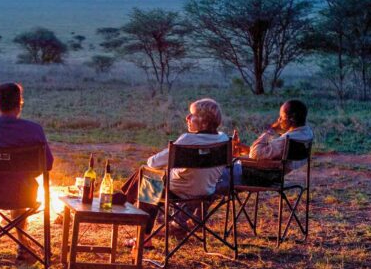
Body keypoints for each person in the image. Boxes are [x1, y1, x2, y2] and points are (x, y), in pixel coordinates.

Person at [122, 98, 230, 246]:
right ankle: (123, 199)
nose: (187, 118)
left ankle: (140, 232)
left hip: (178, 191)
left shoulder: (187, 140)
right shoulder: (223, 139)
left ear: (203, 121)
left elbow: (152, 162)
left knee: (148, 177)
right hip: (206, 192)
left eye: (191, 115)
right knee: (147, 175)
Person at [0, 82, 54, 261]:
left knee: (14, 183)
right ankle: (22, 245)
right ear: (20, 103)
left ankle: (22, 245)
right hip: (24, 194)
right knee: (21, 186)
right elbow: (48, 164)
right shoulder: (34, 130)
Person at [233, 99, 313, 171]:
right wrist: (245, 148)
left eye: (281, 117)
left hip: (271, 174)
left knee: (233, 162)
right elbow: (269, 152)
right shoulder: (307, 132)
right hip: (283, 167)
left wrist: (271, 130)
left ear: (291, 118)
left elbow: (255, 154)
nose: (279, 120)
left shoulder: (285, 140)